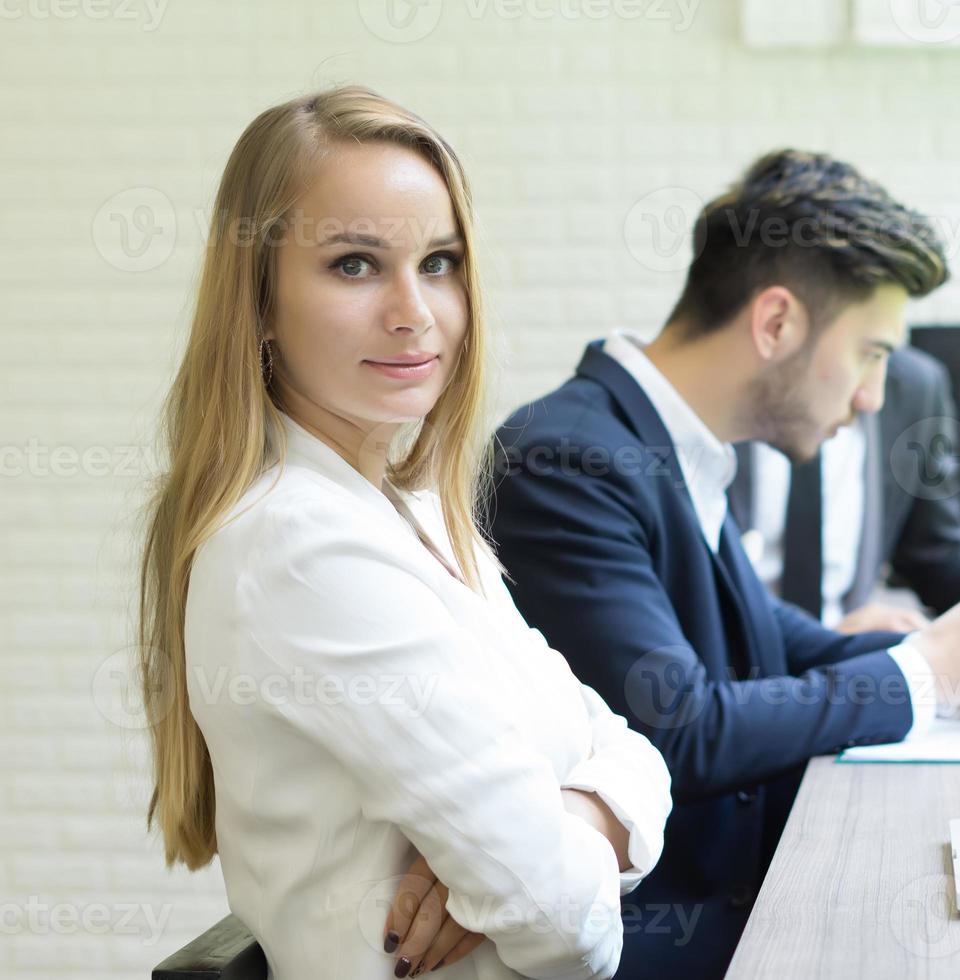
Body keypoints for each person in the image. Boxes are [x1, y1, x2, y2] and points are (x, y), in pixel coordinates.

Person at [484, 149, 960, 979]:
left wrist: (958, 652)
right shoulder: (567, 461)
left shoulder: (659, 440)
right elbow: (676, 731)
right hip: (665, 944)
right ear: (776, 324)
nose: (873, 395)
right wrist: (925, 672)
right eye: (871, 353)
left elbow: (761, 636)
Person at [136, 86, 670, 980]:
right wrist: (526, 864)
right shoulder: (301, 549)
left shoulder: (413, 512)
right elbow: (564, 928)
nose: (413, 310)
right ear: (259, 302)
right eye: (354, 264)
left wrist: (567, 821)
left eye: (439, 261)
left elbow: (630, 749)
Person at [729, 343, 960, 634]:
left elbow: (934, 555)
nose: (870, 399)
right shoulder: (722, 387)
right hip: (741, 676)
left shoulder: (912, 385)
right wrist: (828, 639)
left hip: (850, 674)